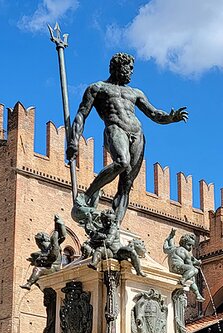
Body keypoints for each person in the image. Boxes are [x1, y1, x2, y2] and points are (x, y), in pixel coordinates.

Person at [67, 52, 188, 227]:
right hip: (115, 129)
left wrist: (171, 118)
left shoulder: (135, 93)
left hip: (138, 134)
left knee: (127, 182)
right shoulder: (98, 88)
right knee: (122, 162)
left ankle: (115, 225)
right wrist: (73, 141)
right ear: (118, 67)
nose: (131, 72)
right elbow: (81, 115)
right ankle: (86, 196)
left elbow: (154, 113)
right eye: (129, 68)